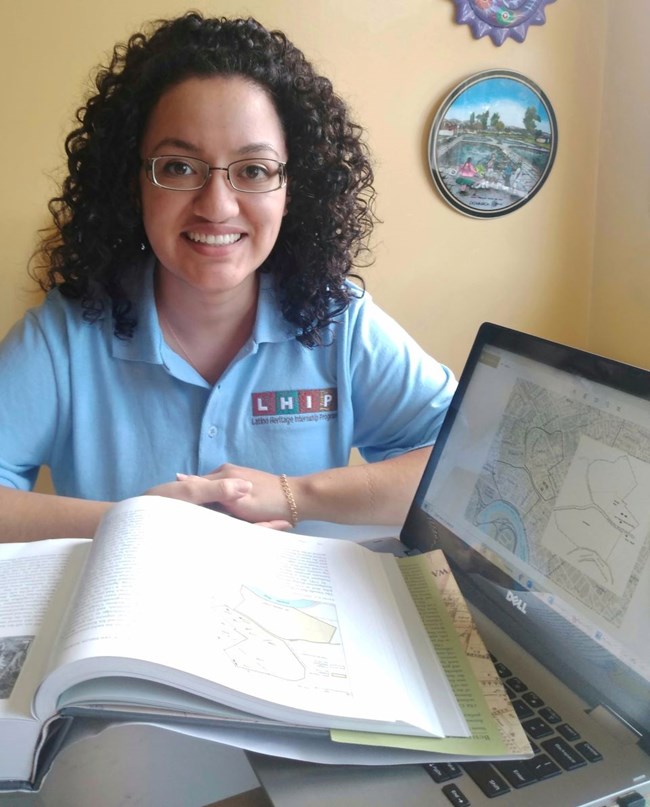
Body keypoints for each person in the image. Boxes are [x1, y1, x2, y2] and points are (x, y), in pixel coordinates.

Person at [0, 13, 456, 542]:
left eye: (254, 170)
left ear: (292, 190)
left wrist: (298, 494)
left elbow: (466, 464)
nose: (216, 207)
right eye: (178, 167)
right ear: (134, 184)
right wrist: (132, 523)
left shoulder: (341, 322)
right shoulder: (65, 333)